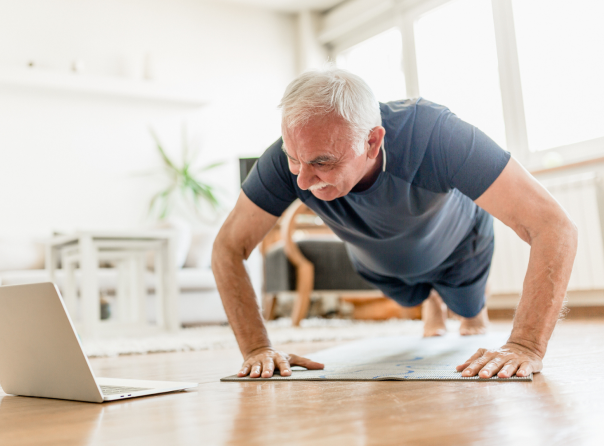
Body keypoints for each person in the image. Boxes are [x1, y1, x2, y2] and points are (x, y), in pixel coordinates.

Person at [212, 67, 577, 379]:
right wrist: (257, 348)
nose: (303, 181)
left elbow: (554, 227)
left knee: (468, 312)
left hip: (457, 246)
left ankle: (464, 304)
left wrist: (525, 345)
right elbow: (228, 247)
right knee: (410, 295)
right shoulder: (285, 160)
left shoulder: (436, 133)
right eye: (295, 160)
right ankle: (430, 299)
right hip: (382, 259)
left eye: (322, 162)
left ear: (372, 142)